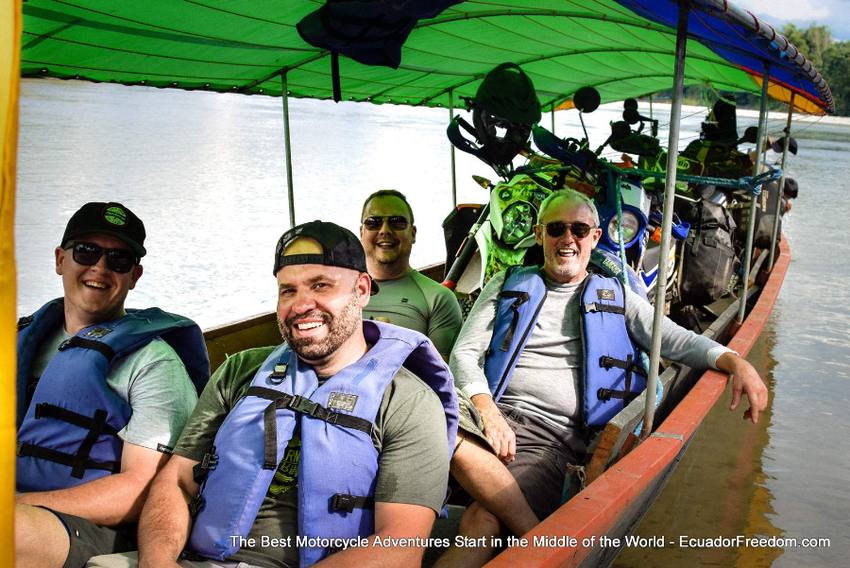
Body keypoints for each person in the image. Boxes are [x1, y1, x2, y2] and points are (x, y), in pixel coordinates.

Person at [96, 220, 457, 568]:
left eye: (320, 286)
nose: (301, 306)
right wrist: (158, 561)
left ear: (361, 290)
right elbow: (176, 481)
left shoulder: (408, 401)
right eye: (288, 290)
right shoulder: (240, 372)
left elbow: (399, 549)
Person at [439, 189, 769, 566]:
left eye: (579, 230)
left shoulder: (616, 294)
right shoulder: (506, 283)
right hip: (488, 416)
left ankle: (539, 542)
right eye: (556, 229)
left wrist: (732, 360)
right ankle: (543, 539)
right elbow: (464, 353)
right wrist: (487, 410)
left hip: (550, 437)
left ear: (595, 238)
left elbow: (671, 337)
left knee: (481, 518)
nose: (567, 239)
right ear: (538, 234)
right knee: (440, 422)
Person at [15, 201, 209, 568]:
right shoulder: (21, 341)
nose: (99, 268)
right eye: (86, 252)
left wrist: (19, 504)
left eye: (118, 260)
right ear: (60, 260)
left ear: (134, 275)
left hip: (98, 526)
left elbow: (141, 488)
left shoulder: (154, 363)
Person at [360, 189, 463, 358]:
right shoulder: (339, 293)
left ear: (413, 233)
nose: (384, 230)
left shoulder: (438, 298)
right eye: (373, 222)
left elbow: (440, 376)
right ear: (361, 232)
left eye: (397, 222)